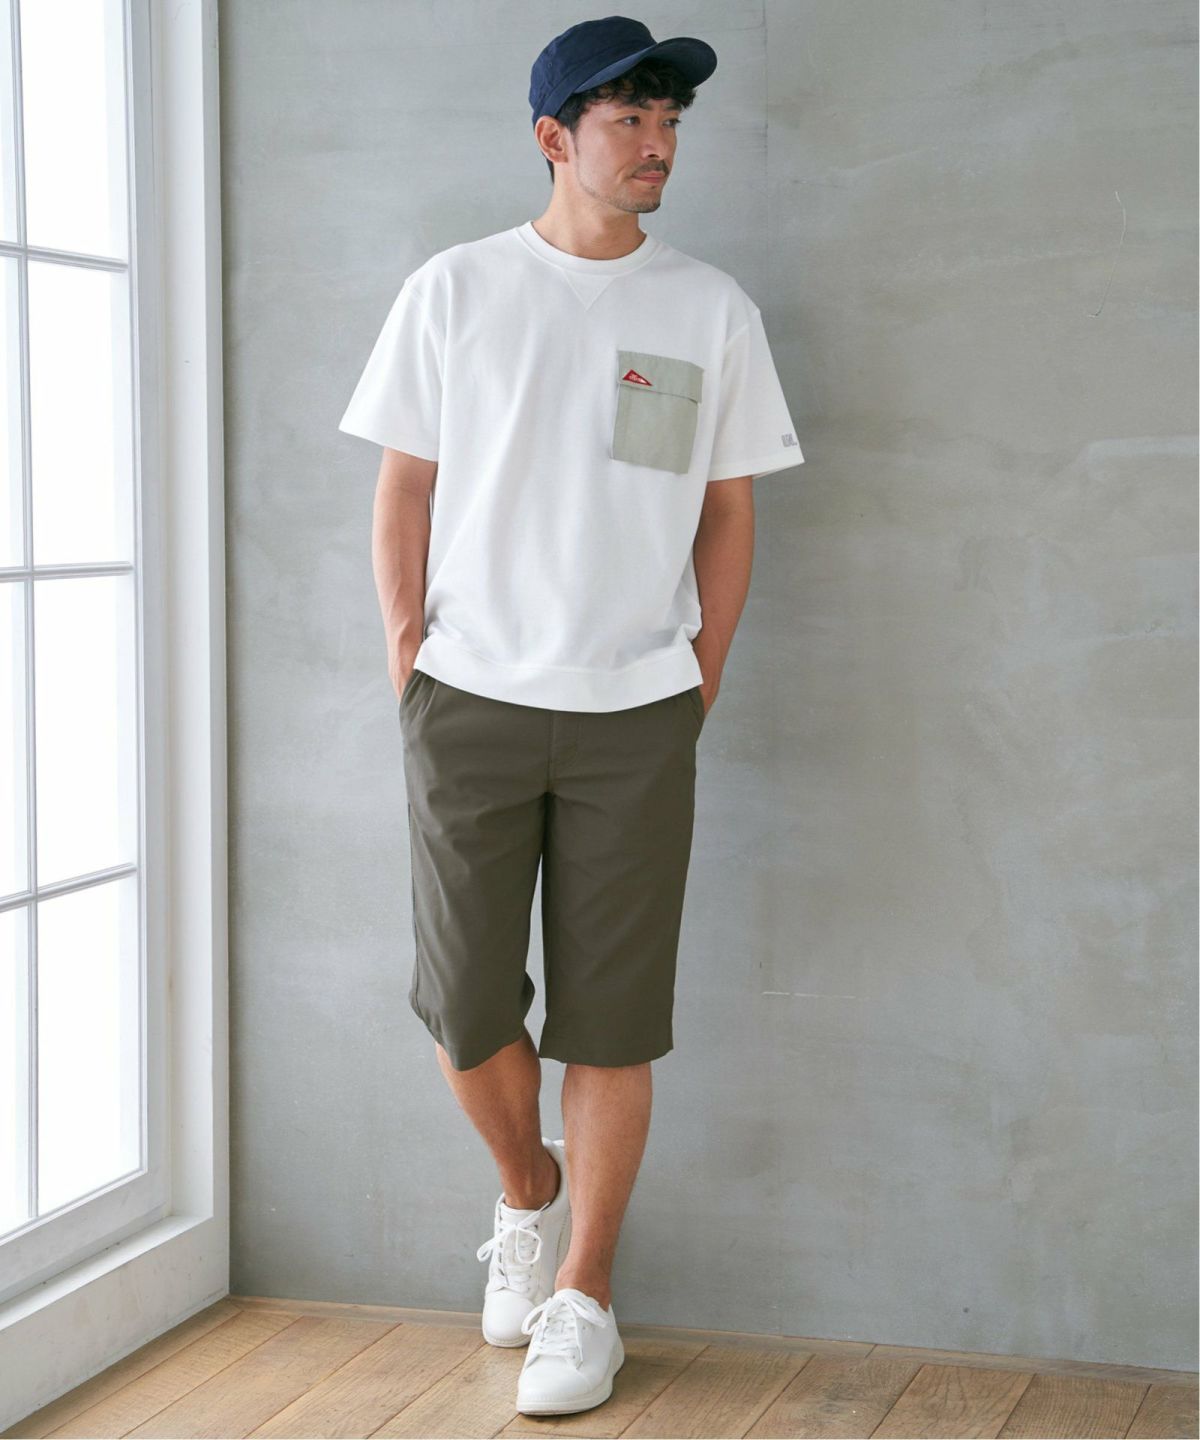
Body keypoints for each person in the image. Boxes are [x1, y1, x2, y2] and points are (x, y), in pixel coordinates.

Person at [337, 14, 805, 1418]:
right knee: (466, 1001)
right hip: (469, 698)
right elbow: (404, 488)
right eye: (629, 122)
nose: (659, 147)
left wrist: (699, 677)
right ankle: (526, 1193)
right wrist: (411, 660)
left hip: (637, 713)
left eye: (671, 124)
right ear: (555, 137)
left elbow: (728, 510)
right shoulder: (456, 290)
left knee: (614, 1020)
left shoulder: (709, 309)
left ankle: (585, 1298)